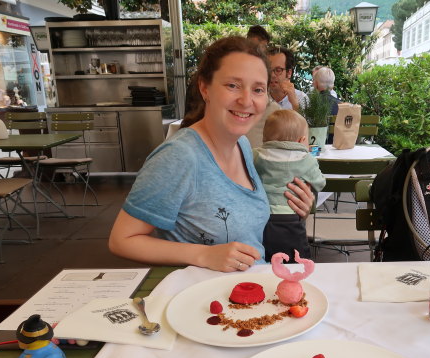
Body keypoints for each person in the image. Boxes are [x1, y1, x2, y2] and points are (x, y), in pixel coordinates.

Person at [108, 37, 314, 273]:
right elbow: (122, 240)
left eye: (258, 89)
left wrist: (296, 206)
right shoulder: (179, 156)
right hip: (205, 302)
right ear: (205, 88)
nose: (246, 100)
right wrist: (204, 254)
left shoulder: (242, 146)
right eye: (233, 85)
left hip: (250, 292)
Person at [254, 109, 326, 261]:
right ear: (302, 140)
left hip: (261, 216)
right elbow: (319, 182)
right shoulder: (306, 160)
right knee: (297, 258)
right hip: (291, 216)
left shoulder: (256, 155)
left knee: (266, 257)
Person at [268, 46, 308, 112]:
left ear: (289, 73)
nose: (272, 75)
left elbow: (308, 122)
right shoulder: (260, 98)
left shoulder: (301, 98)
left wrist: (295, 105)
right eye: (268, 70)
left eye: (278, 70)